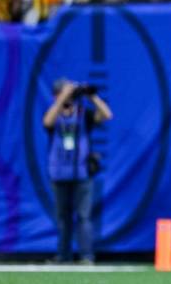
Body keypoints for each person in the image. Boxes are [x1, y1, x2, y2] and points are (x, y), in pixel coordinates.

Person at [42, 79, 113, 264]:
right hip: (58, 173)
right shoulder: (55, 114)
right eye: (63, 93)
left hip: (82, 173)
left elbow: (107, 115)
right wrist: (62, 98)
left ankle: (86, 256)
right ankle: (63, 256)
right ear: (56, 95)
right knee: (63, 218)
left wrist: (92, 96)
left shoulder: (84, 114)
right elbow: (47, 122)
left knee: (83, 217)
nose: (68, 97)